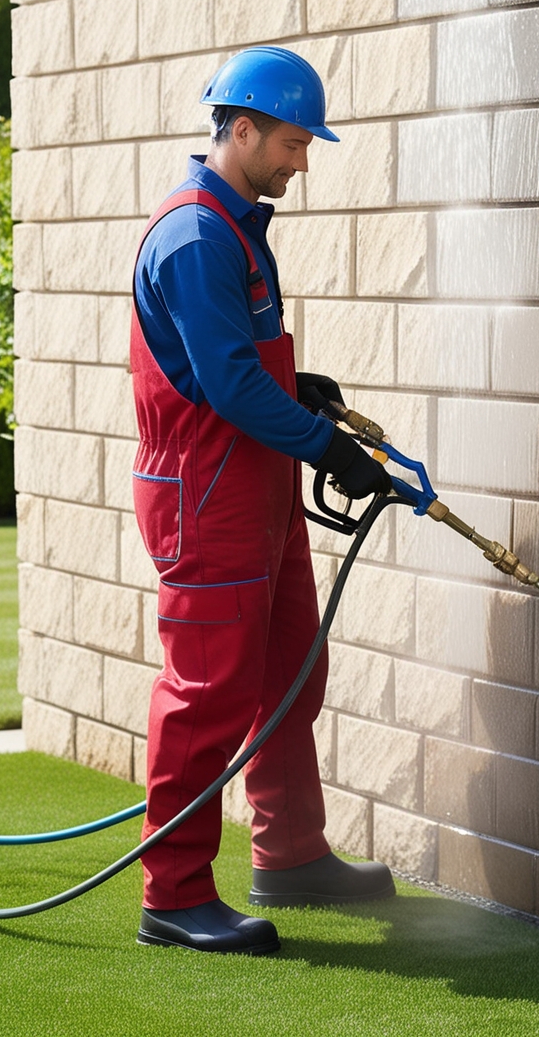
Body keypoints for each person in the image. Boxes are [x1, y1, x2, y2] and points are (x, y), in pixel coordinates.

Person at [129, 46, 394, 956]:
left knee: (289, 672)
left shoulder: (240, 226)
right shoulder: (198, 234)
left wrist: (305, 392)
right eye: (290, 141)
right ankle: (172, 895)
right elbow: (233, 389)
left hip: (257, 490)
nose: (302, 160)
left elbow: (249, 361)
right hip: (209, 497)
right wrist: (331, 449)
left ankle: (289, 855)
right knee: (206, 696)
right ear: (239, 129)